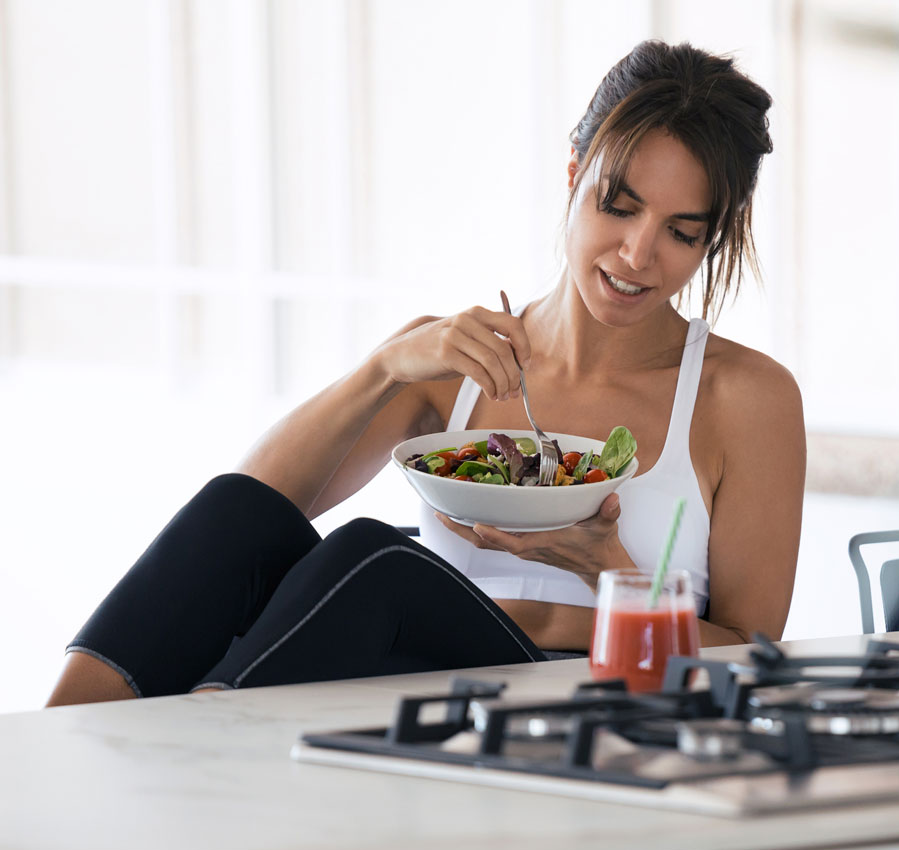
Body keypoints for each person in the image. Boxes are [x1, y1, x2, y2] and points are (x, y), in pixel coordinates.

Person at [46, 40, 805, 706]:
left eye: (681, 231)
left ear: (715, 237)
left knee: (375, 559)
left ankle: (205, 742)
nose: (639, 255)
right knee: (234, 514)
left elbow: (751, 647)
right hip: (418, 682)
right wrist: (384, 367)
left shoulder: (743, 398)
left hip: (590, 689)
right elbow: (251, 513)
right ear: (574, 173)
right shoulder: (454, 362)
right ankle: (56, 751)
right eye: (619, 206)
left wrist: (612, 573)